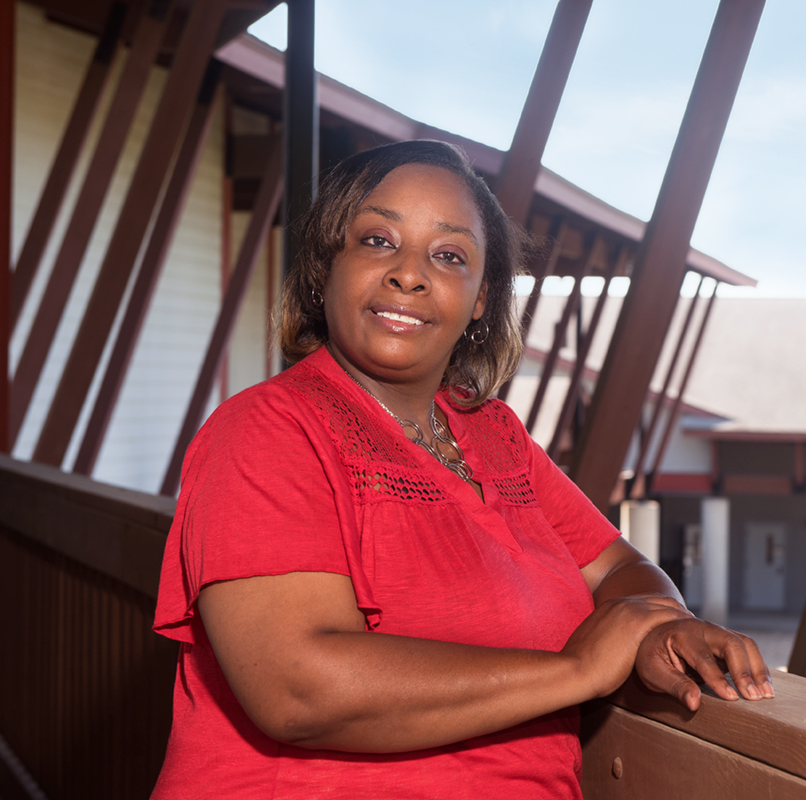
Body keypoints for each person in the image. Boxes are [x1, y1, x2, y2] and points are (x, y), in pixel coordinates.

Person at [151, 139, 772, 799]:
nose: (409, 274)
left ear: (480, 299)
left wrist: (658, 629)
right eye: (377, 241)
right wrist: (580, 669)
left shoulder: (492, 436)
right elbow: (297, 689)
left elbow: (622, 570)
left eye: (449, 255)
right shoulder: (267, 430)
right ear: (322, 269)